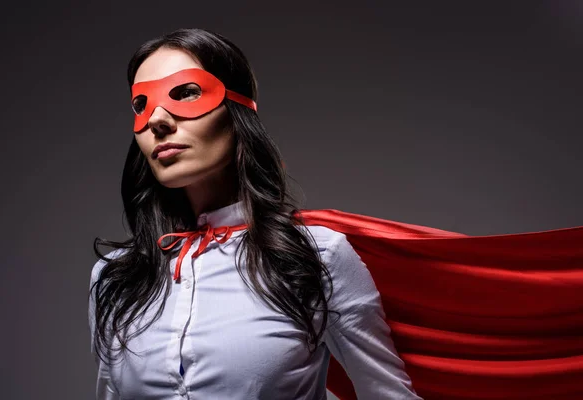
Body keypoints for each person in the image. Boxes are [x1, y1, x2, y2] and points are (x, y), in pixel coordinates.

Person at [88, 28, 423, 399]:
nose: (157, 121)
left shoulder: (317, 258)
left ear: (237, 111)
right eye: (141, 105)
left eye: (185, 93)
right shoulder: (115, 277)